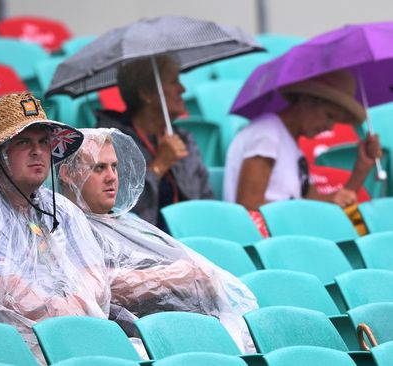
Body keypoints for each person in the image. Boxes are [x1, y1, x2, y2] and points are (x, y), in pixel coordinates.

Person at [0, 92, 111, 360]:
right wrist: (71, 316)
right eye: (23, 142)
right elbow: (5, 294)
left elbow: (94, 277)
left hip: (58, 334)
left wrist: (74, 314)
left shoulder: (59, 209)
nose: (37, 151)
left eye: (43, 142)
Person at [59, 128, 258, 354]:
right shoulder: (62, 229)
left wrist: (193, 276)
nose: (112, 176)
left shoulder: (127, 223)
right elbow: (98, 288)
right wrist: (174, 276)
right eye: (99, 168)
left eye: (114, 167)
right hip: (136, 340)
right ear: (68, 174)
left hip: (183, 327)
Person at [224, 69, 382, 211]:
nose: (330, 127)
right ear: (307, 101)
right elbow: (249, 207)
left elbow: (317, 206)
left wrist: (361, 169)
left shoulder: (291, 144)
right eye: (329, 115)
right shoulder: (267, 134)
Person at [96, 54, 213, 230]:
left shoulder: (183, 139)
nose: (182, 89)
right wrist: (159, 165)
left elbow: (206, 202)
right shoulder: (112, 144)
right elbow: (120, 210)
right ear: (147, 93)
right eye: (174, 82)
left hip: (190, 239)